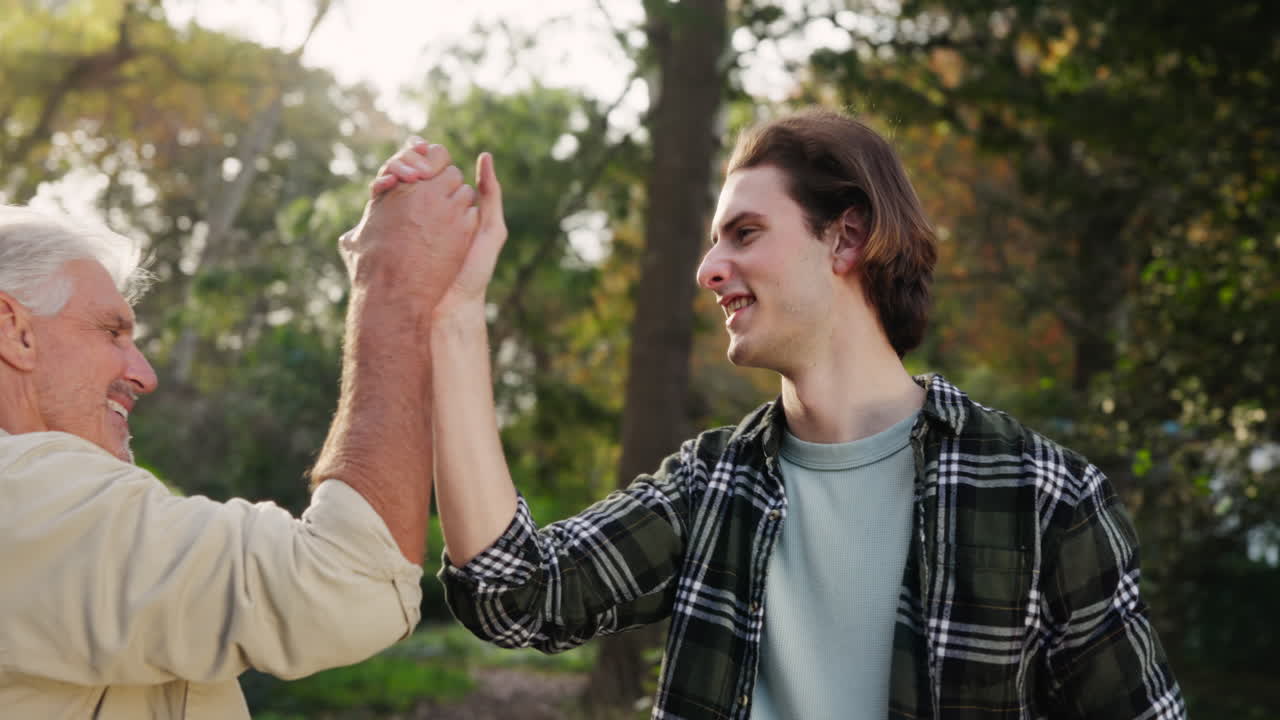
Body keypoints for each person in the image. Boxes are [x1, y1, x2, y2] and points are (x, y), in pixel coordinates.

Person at [382, 108, 1186, 719]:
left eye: (745, 233)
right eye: (711, 241)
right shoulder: (710, 486)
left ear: (845, 240)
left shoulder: (1041, 495)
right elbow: (512, 593)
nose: (709, 269)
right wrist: (455, 315)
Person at [0, 139, 489, 718]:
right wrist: (391, 284)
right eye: (112, 332)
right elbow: (349, 584)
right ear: (15, 331)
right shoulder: (26, 496)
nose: (144, 375)